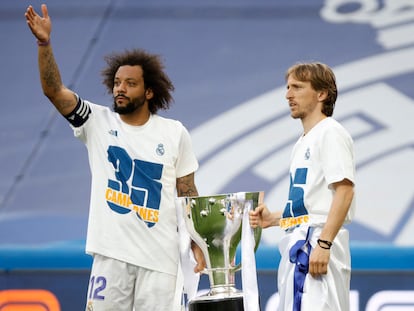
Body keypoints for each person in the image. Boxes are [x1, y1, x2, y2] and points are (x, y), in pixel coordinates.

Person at [25, 4, 205, 311]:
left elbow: (186, 192)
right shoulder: (97, 122)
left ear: (149, 92)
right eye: (117, 83)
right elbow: (54, 91)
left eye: (130, 84)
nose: (120, 89)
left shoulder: (175, 133)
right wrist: (45, 44)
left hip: (160, 261)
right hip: (111, 257)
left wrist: (198, 242)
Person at [250, 62, 356, 311]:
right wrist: (274, 218)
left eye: (297, 87)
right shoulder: (304, 141)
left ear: (321, 94)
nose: (288, 95)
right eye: (288, 88)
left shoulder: (330, 132)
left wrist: (324, 244)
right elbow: (313, 203)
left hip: (316, 243)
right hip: (300, 241)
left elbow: (344, 190)